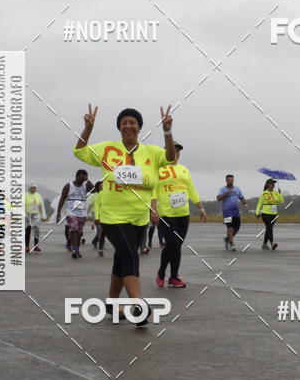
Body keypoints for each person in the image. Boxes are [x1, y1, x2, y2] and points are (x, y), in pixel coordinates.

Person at [73, 104, 176, 325]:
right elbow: (79, 151)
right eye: (124, 123)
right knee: (131, 257)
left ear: (139, 127)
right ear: (119, 128)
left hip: (139, 217)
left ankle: (111, 303)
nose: (128, 125)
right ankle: (137, 307)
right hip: (112, 215)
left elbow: (169, 157)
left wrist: (167, 132)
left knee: (122, 260)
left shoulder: (151, 152)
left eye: (132, 122)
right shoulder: (107, 149)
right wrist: (87, 129)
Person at [155, 143, 206, 288]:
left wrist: (200, 207)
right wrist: (153, 209)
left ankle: (168, 276)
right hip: (166, 213)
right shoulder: (159, 169)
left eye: (178, 150)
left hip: (183, 213)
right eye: (173, 150)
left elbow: (191, 189)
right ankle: (167, 275)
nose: (176, 152)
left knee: (176, 246)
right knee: (173, 244)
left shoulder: (184, 170)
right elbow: (152, 189)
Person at [56, 170, 94, 259]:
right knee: (74, 229)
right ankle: (75, 250)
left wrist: (88, 181)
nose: (85, 178)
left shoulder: (86, 185)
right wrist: (58, 213)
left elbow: (94, 191)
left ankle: (74, 246)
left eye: (87, 176)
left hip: (82, 212)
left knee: (79, 232)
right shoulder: (69, 186)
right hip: (71, 211)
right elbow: (62, 199)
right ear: (78, 176)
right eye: (84, 176)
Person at [217, 174, 247, 251]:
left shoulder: (237, 189)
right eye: (229, 180)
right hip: (227, 212)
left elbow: (241, 197)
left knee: (236, 228)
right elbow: (218, 198)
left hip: (236, 212)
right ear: (226, 181)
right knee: (230, 228)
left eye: (232, 180)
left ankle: (227, 239)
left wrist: (244, 202)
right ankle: (232, 244)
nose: (231, 182)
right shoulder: (222, 189)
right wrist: (225, 193)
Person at [255, 178, 284, 250]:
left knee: (269, 229)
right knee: (269, 228)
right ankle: (272, 243)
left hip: (274, 213)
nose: (273, 185)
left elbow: (281, 201)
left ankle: (264, 244)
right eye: (271, 183)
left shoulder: (276, 192)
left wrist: (280, 194)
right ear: (268, 184)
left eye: (274, 183)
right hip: (265, 213)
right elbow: (259, 203)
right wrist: (257, 212)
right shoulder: (264, 193)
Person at [25, 183, 46, 253]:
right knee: (28, 230)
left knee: (37, 230)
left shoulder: (38, 196)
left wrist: (43, 215)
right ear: (29, 188)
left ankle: (36, 246)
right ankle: (27, 246)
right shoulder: (25, 195)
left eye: (35, 188)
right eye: (32, 188)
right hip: (27, 215)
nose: (34, 189)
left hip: (36, 215)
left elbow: (40, 206)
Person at [87, 181, 105, 257]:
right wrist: (88, 215)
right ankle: (99, 243)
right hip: (95, 213)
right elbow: (88, 206)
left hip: (104, 214)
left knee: (102, 230)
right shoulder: (93, 196)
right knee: (100, 229)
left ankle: (96, 240)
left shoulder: (105, 195)